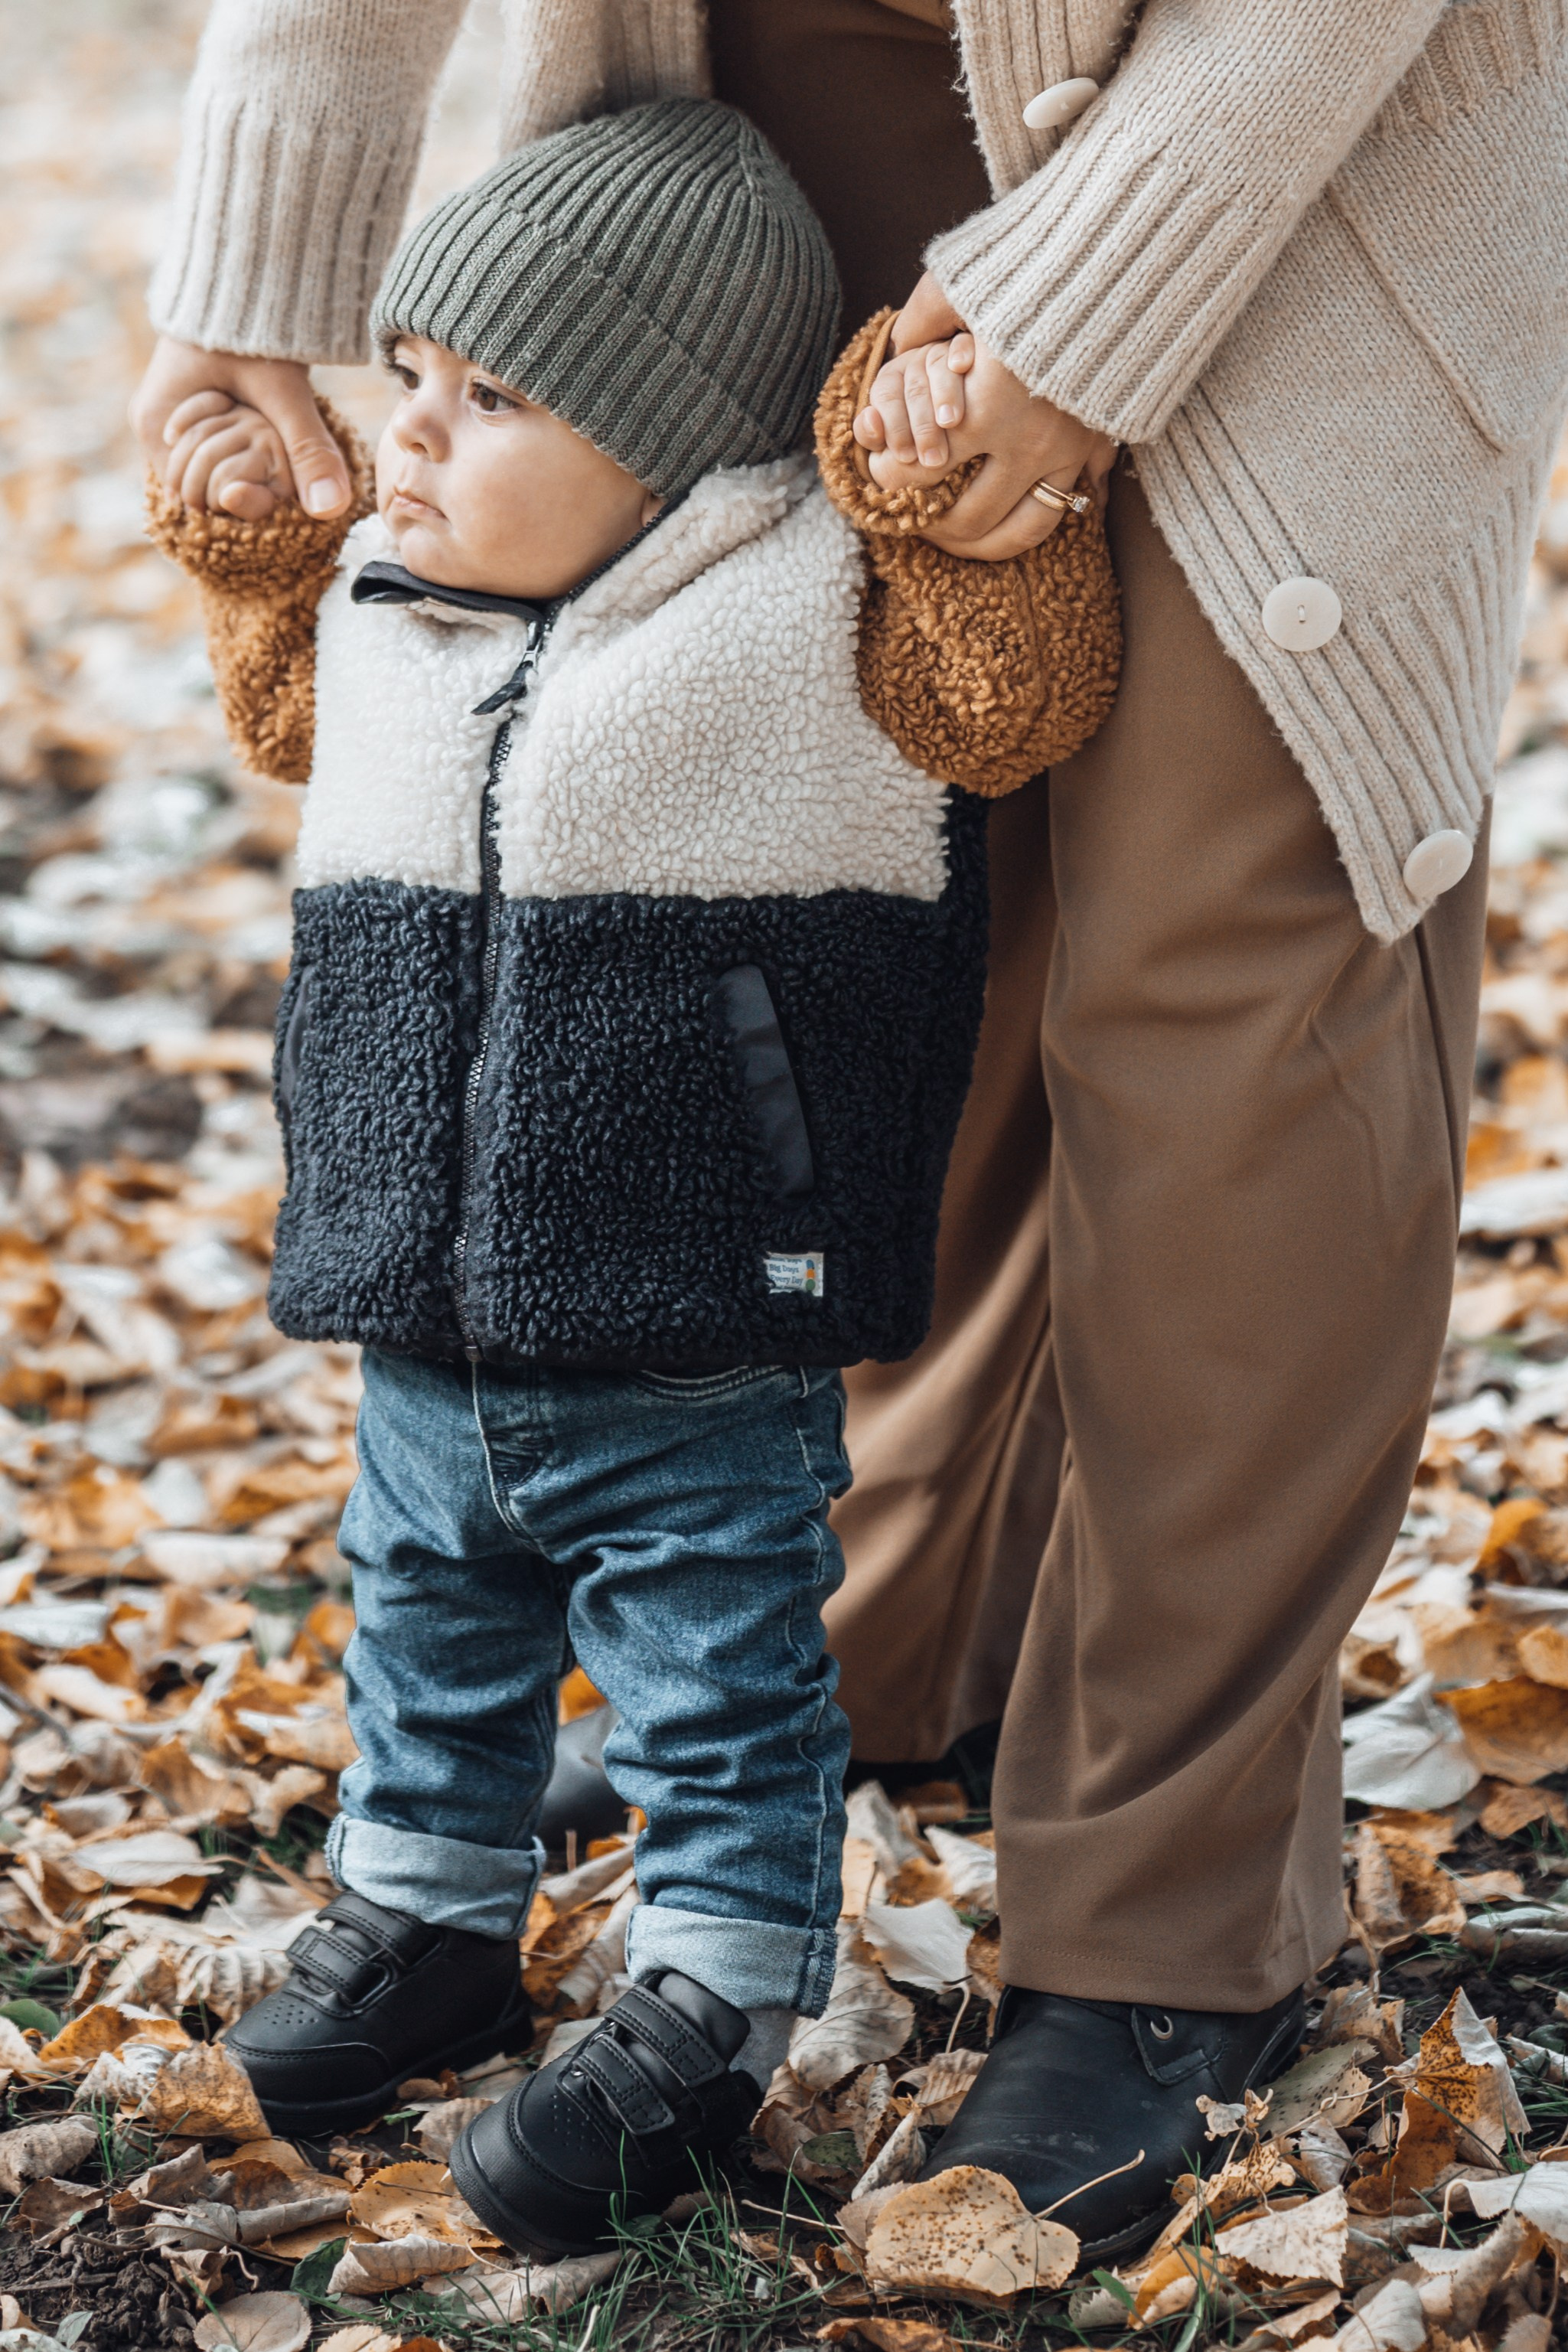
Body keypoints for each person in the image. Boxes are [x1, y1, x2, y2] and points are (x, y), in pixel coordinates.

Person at [134, 0, 1567, 2259]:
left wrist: (1089, 289)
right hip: (754, 87)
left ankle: (1167, 1914)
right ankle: (865, 1645)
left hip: (1288, 110)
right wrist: (258, 278)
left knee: (1216, 973)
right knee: (843, 885)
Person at [145, 98, 1120, 2254]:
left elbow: (1006, 698)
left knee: (715, 1676)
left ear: (679, 450)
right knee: (425, 1637)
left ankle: (712, 1990)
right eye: (409, 375)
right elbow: (288, 715)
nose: (412, 435)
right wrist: (243, 560)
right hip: (418, 1298)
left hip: (697, 1319)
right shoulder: (399, 594)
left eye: (492, 398)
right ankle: (422, 1916)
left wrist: (962, 507)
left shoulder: (802, 618)